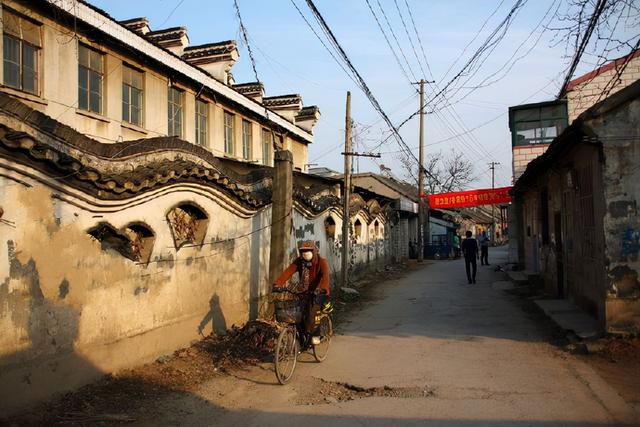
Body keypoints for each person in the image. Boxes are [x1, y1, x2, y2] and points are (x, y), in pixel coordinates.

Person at [273, 240, 333, 345]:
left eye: (308, 251)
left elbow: (325, 278)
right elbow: (288, 272)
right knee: (298, 315)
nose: (305, 253)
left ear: (314, 251)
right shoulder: (300, 261)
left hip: (319, 292)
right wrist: (278, 284)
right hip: (304, 292)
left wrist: (321, 289)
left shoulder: (321, 262)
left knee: (313, 312)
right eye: (303, 251)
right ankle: (302, 339)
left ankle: (316, 335)